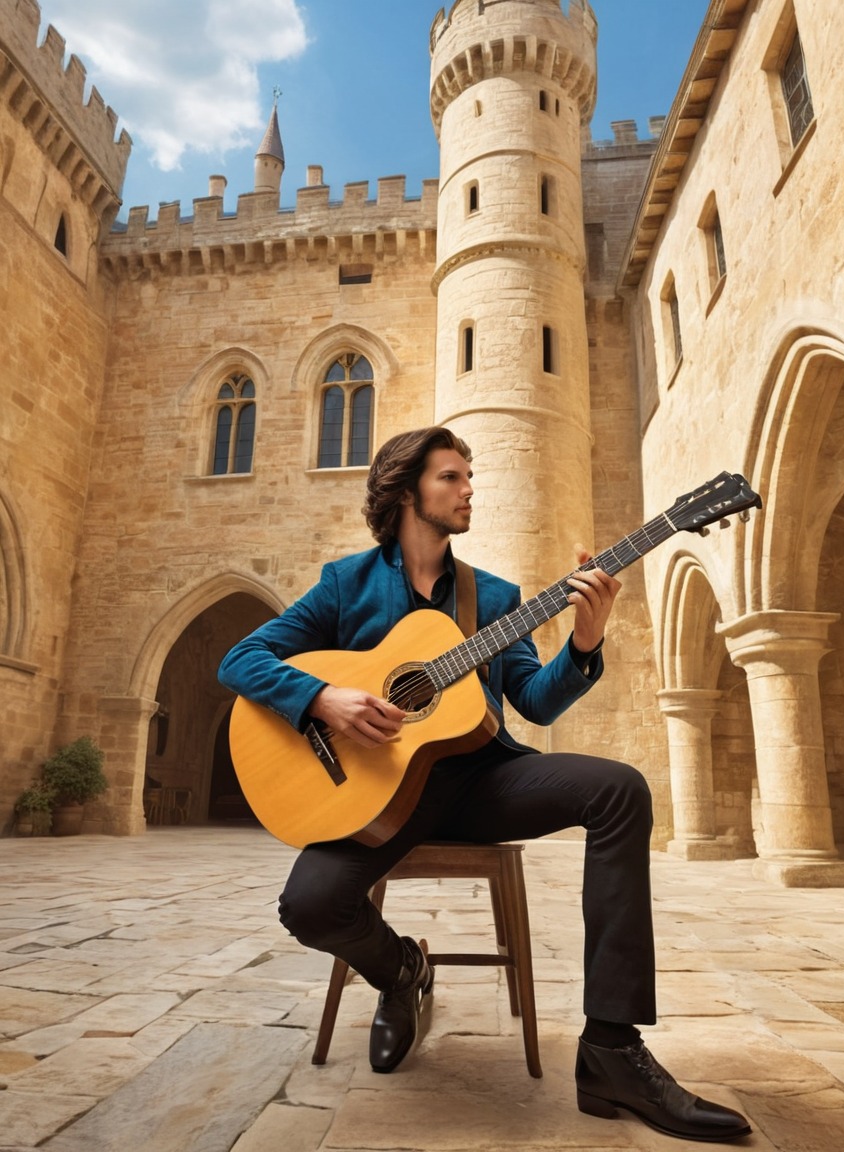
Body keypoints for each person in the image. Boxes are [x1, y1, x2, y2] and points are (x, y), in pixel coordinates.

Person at [218, 426, 751, 1144]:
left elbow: (533, 699)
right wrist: (322, 699)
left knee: (620, 788)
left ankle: (613, 1051)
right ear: (407, 492)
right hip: (378, 795)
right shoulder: (345, 583)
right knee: (308, 905)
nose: (470, 489)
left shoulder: (493, 595)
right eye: (452, 477)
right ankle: (402, 972)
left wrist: (584, 643)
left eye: (471, 476)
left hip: (480, 783)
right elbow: (242, 659)